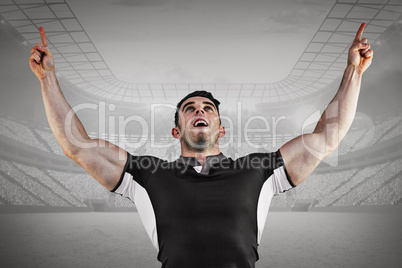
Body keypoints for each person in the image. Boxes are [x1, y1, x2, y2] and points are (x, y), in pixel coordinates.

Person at [29, 24, 373, 268]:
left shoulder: (258, 170)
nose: (200, 111)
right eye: (190, 109)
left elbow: (327, 137)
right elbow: (78, 146)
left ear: (221, 130)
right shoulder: (148, 174)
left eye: (208, 109)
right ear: (177, 132)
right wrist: (48, 79)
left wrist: (353, 71)